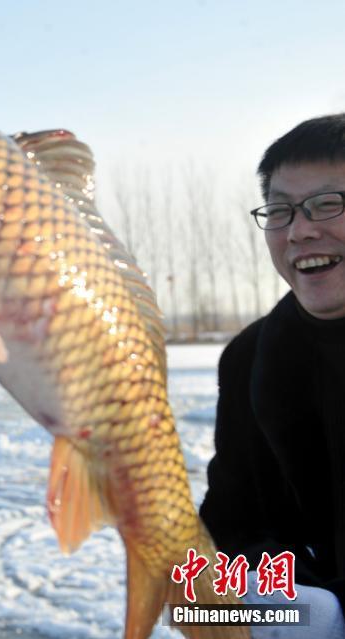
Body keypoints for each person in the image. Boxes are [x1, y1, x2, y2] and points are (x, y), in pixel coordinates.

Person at [200, 114, 345, 637]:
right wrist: (273, 604)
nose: (301, 230)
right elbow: (231, 521)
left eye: (328, 204)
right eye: (280, 210)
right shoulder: (250, 356)